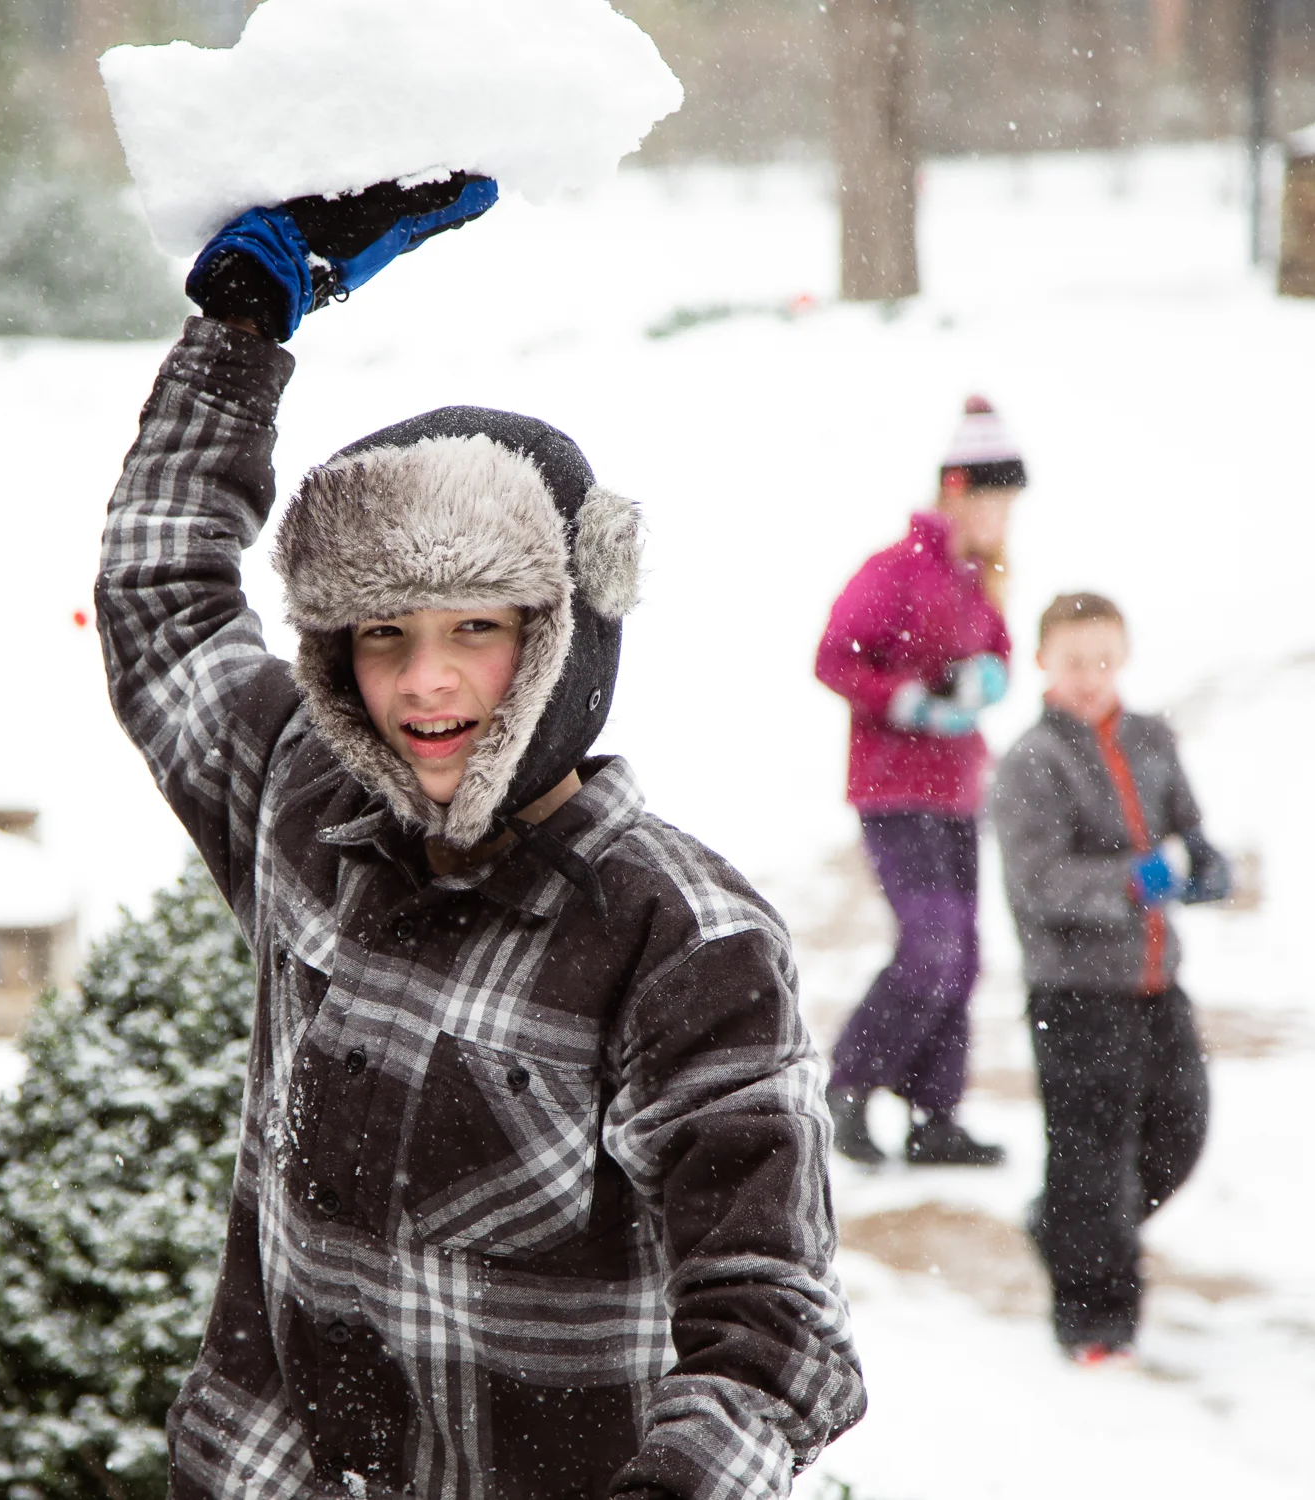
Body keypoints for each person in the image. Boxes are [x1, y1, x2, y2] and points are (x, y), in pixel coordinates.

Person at [96, 178, 865, 1500]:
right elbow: (159, 593)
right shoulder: (304, 806)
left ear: (566, 635)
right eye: (383, 636)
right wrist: (240, 329)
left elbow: (772, 1333)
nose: (427, 683)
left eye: (476, 629)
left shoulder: (678, 938)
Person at [991, 592, 1230, 1364]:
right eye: (1073, 662)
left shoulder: (1151, 736)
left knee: (1181, 1130)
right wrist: (1133, 879)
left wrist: (1206, 862)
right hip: (1075, 993)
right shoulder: (1032, 760)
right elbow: (1039, 883)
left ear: (1123, 657)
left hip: (1158, 981)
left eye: (1102, 659)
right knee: (1090, 1160)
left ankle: (1064, 1228)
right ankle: (1095, 1323)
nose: (1089, 676)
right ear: (1042, 663)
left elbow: (1187, 828)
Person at [814, 396, 1023, 1168]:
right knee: (932, 945)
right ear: (958, 490)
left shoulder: (977, 581)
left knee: (963, 955)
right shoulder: (894, 570)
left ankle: (935, 1117)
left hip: (959, 789)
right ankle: (847, 1085)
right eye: (997, 501)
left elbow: (999, 651)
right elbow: (835, 656)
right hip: (894, 791)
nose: (1005, 519)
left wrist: (988, 679)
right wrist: (905, 699)